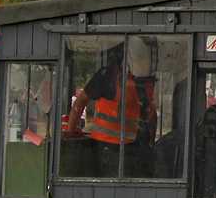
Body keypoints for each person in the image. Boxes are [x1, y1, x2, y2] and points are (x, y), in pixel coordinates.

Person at [65, 38, 158, 177]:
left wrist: (150, 142)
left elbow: (151, 114)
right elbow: (80, 101)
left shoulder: (145, 82)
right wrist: (69, 131)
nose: (145, 63)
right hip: (107, 149)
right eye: (142, 59)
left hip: (135, 148)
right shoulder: (108, 76)